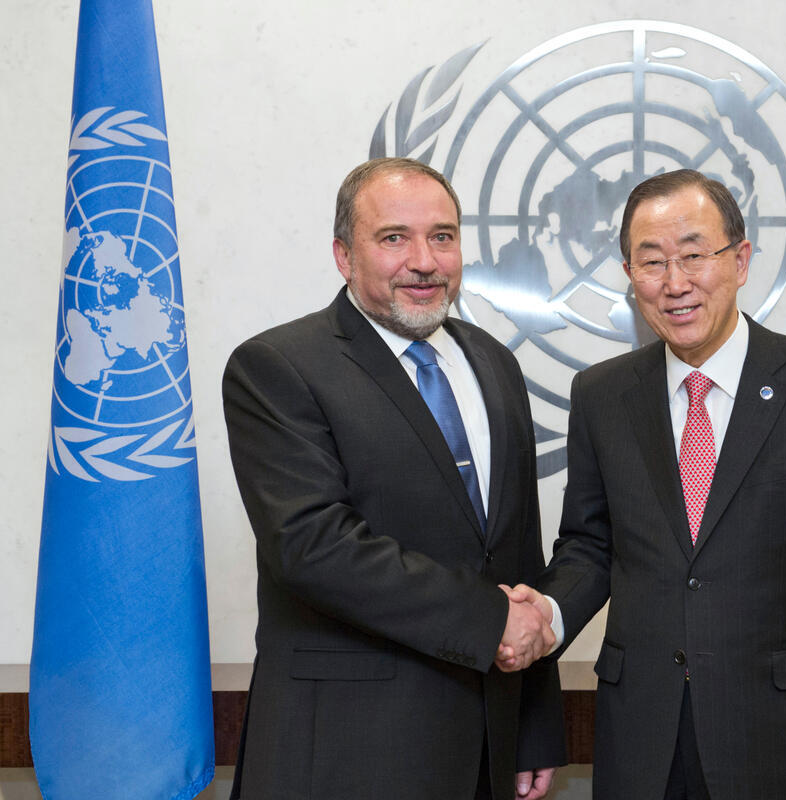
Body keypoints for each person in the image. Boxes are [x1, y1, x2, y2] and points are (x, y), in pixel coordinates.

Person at [507, 170, 786, 799]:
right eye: (652, 262)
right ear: (629, 274)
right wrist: (546, 614)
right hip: (642, 731)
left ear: (740, 261)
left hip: (783, 730)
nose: (675, 283)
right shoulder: (603, 395)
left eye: (694, 256)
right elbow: (590, 546)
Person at [222, 157, 565, 800]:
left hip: (485, 746)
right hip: (346, 750)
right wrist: (491, 619)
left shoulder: (494, 363)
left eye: (442, 236)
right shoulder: (277, 366)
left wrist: (534, 723)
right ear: (343, 256)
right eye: (393, 238)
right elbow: (313, 546)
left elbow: (517, 551)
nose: (424, 261)